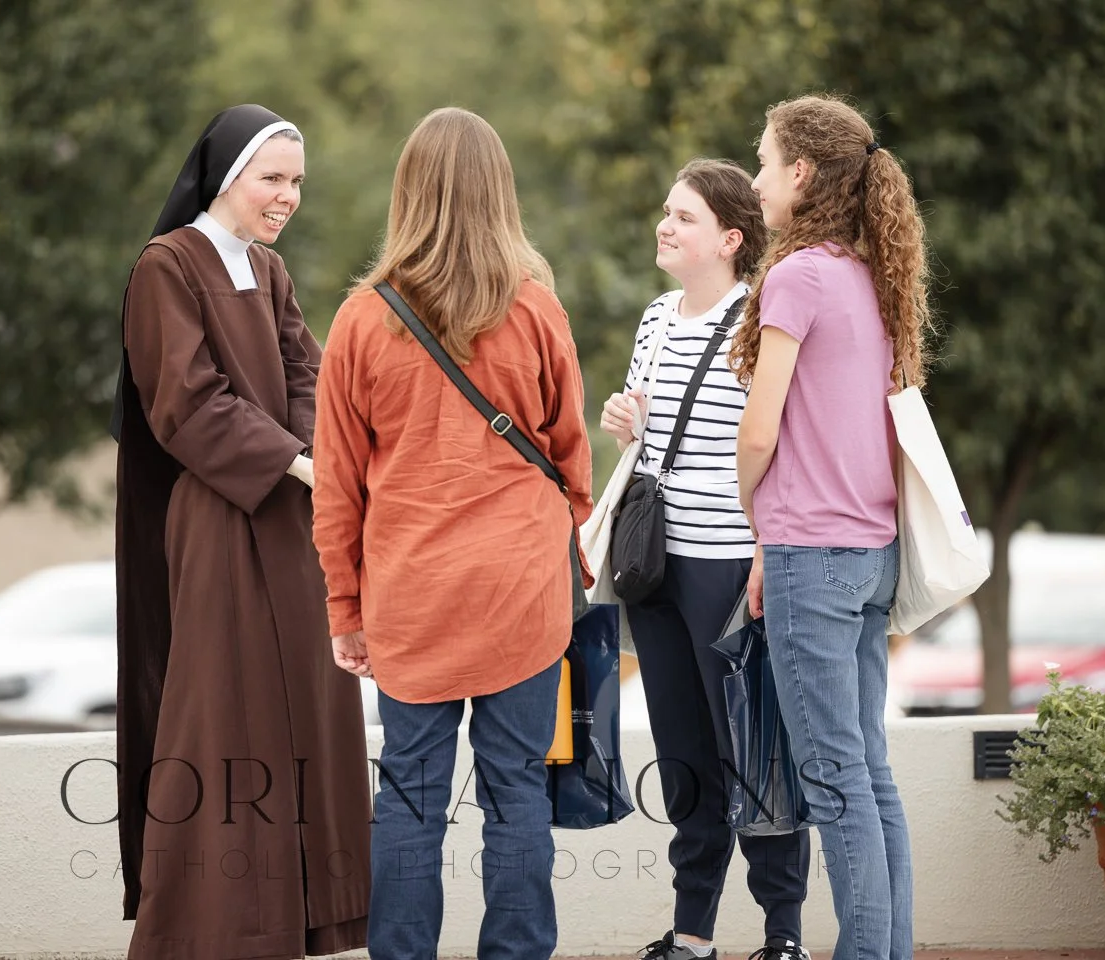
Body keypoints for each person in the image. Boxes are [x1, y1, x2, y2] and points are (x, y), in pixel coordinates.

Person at [310, 106, 594, 960]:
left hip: (412, 596)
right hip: (519, 592)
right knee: (517, 796)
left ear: (408, 193)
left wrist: (345, 606)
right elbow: (572, 454)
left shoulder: (361, 321)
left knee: (409, 798)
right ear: (498, 195)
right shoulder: (536, 309)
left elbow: (336, 488)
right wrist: (559, 543)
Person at [113, 104, 371, 960]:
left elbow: (310, 375)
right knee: (225, 713)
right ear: (227, 176)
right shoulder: (169, 265)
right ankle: (212, 928)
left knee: (305, 705)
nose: (288, 196)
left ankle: (300, 916)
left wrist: (316, 451)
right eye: (274, 178)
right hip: (220, 519)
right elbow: (183, 404)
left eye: (297, 181)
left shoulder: (270, 269)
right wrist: (299, 465)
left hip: (290, 522)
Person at [732, 94, 933, 960]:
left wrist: (754, 513)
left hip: (812, 555)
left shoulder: (798, 275)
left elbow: (760, 428)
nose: (756, 177)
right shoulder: (871, 274)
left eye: (766, 160)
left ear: (803, 173)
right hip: (872, 553)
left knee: (833, 779)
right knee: (868, 772)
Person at [599, 159, 810, 960]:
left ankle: (782, 934)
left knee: (754, 752)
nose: (665, 225)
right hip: (655, 569)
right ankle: (692, 934)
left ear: (729, 237)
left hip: (731, 569)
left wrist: (765, 549)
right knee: (684, 754)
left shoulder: (759, 317)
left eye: (682, 216)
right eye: (665, 212)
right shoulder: (655, 318)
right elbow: (651, 432)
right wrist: (626, 420)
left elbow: (782, 441)